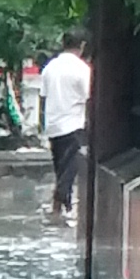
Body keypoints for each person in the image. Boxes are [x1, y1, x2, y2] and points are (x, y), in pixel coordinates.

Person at [37, 32, 92, 222]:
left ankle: (64, 207)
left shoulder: (50, 68)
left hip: (53, 125)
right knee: (70, 167)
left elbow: (42, 98)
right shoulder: (82, 69)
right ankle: (57, 203)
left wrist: (41, 123)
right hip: (73, 124)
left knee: (61, 167)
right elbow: (89, 97)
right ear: (82, 46)